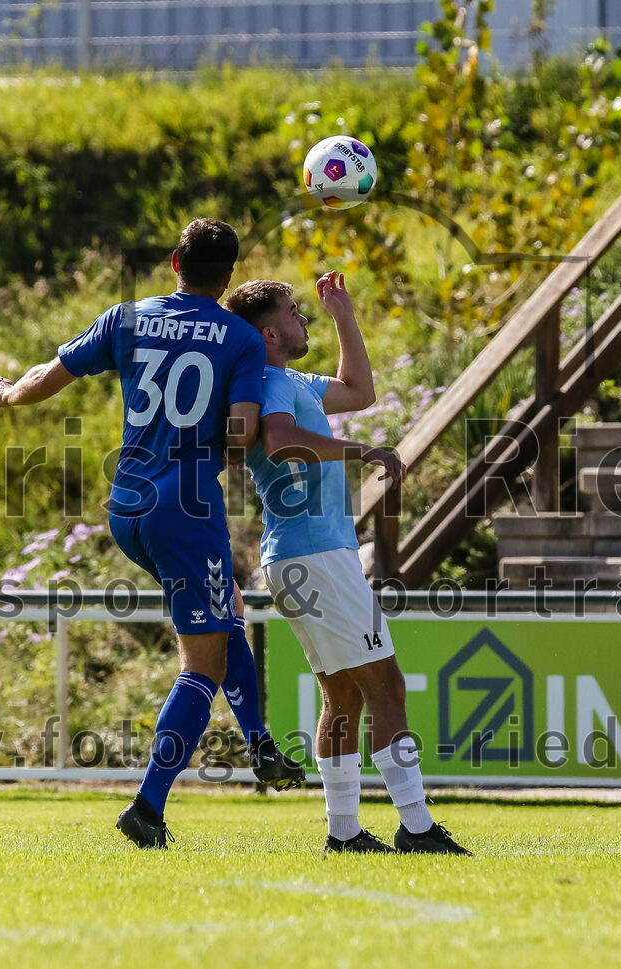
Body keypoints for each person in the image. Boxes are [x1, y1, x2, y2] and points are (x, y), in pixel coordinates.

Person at [0, 218, 303, 850]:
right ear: (228, 276)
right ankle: (148, 806)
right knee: (201, 665)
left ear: (175, 261)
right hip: (188, 509)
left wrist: (7, 393)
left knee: (224, 614)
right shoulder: (240, 338)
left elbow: (51, 373)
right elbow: (237, 436)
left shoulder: (127, 317)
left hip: (128, 506)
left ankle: (260, 745)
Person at [225, 272, 472, 856]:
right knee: (387, 686)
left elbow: (359, 392)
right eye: (293, 311)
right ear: (268, 331)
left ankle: (344, 833)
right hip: (314, 557)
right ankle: (416, 826)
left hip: (302, 558)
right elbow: (282, 442)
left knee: (345, 698)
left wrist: (343, 315)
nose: (300, 317)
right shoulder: (269, 382)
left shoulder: (288, 379)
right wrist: (364, 451)